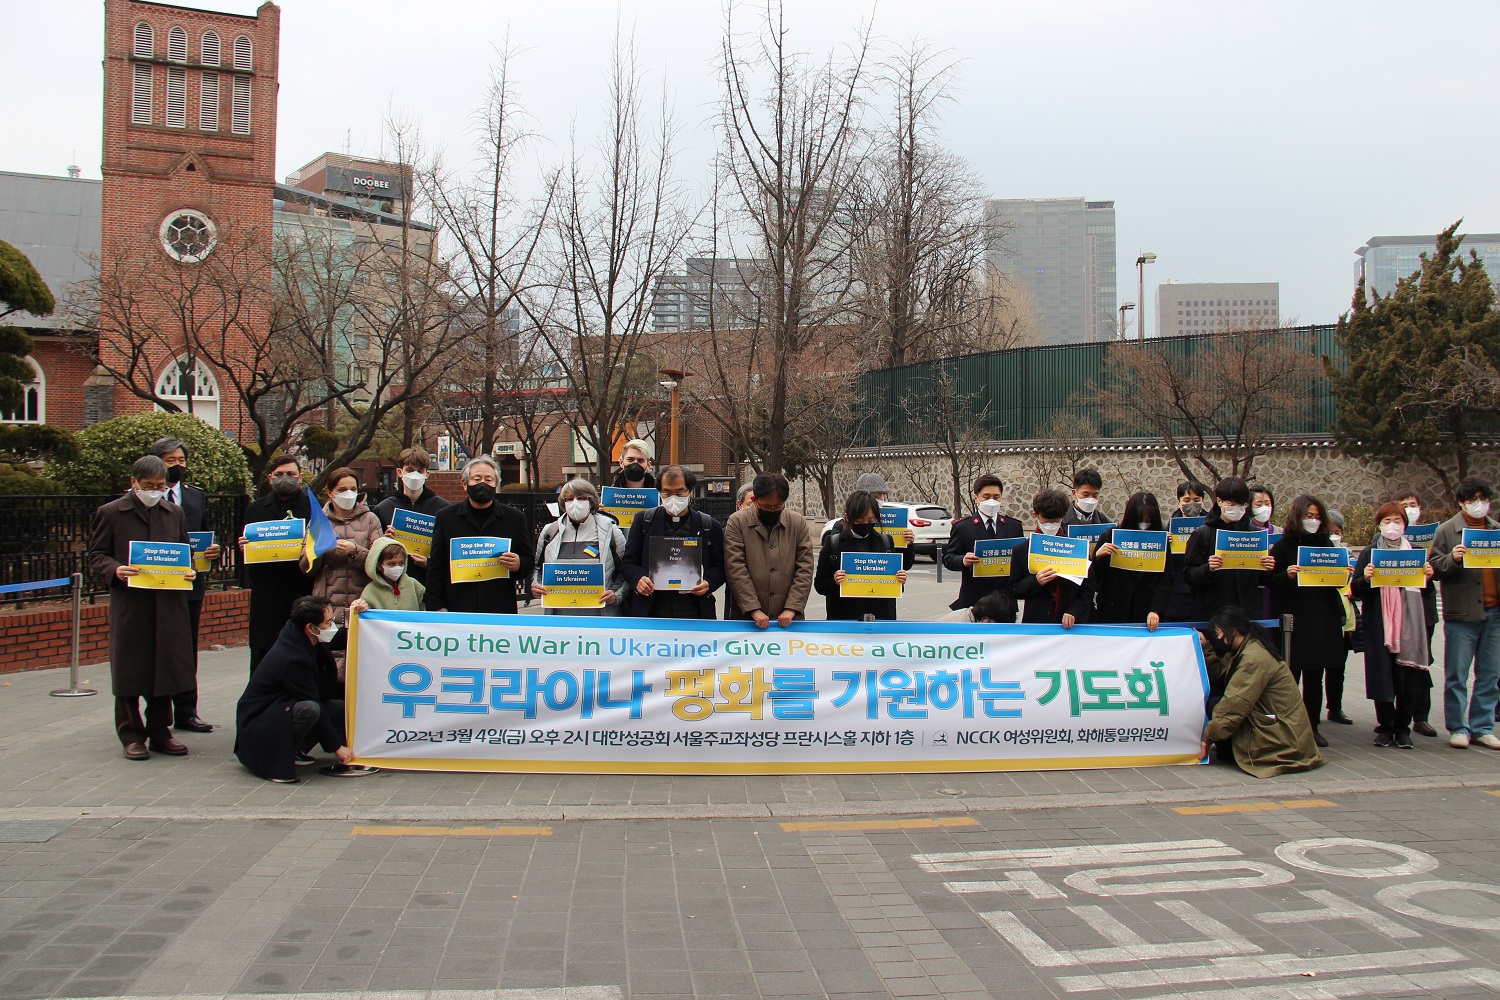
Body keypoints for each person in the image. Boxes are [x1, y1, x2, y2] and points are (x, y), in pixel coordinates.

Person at [86, 454, 198, 761]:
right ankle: (131, 734)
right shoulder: (111, 513)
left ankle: (161, 731)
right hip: (132, 604)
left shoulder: (173, 512)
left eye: (160, 485)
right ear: (134, 483)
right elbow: (96, 555)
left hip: (167, 603)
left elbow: (184, 551)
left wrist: (190, 570)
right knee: (129, 669)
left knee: (165, 668)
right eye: (148, 485)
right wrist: (115, 569)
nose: (155, 490)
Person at [233, 596, 374, 783]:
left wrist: (355, 616)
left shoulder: (302, 636)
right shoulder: (293, 657)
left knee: (338, 708)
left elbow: (338, 640)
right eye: (328, 623)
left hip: (282, 707)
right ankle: (278, 757)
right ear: (310, 627)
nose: (331, 627)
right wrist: (337, 748)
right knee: (310, 709)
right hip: (262, 719)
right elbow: (313, 700)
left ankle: (297, 749)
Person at [147, 436, 222, 734]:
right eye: (170, 461)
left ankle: (186, 710)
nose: (177, 466)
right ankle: (155, 711)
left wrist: (214, 551)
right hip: (155, 583)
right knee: (155, 648)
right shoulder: (143, 496)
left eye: (180, 460)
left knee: (186, 649)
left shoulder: (194, 496)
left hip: (191, 583)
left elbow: (204, 533)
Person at [1199, 605, 1327, 777]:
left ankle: (1232, 754)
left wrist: (1207, 739)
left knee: (1217, 705)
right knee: (1218, 703)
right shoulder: (1249, 647)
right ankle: (1229, 752)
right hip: (1282, 729)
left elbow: (1234, 705)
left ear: (1232, 631)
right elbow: (1219, 672)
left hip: (1283, 738)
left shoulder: (1253, 658)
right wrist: (1206, 647)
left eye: (1219, 632)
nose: (1218, 637)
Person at [1267, 495, 1349, 749]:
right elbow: (1270, 581)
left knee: (1316, 676)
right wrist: (1287, 575)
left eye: (1316, 517)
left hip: (1321, 618)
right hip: (1293, 620)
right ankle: (1288, 726)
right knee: (1290, 676)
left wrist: (1343, 573)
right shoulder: (1282, 547)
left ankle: (1313, 727)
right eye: (1308, 517)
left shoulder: (1326, 545)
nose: (1312, 521)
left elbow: (1336, 580)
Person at [1352, 502, 1435, 749]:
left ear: (1405, 526)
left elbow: (1425, 590)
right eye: (1387, 521)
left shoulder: (1415, 552)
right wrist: (1365, 578)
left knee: (1407, 677)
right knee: (1382, 675)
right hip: (1380, 625)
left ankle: (1403, 727)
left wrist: (1428, 576)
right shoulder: (1370, 553)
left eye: (1397, 521)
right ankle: (1385, 727)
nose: (1392, 526)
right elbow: (1355, 588)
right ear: (1379, 524)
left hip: (1410, 625)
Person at [1429, 476, 1500, 749]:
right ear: (1461, 503)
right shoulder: (1447, 531)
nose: (1479, 505)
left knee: (1490, 674)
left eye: (1483, 499)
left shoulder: (1495, 530)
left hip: (1493, 613)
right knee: (1457, 674)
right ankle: (1458, 726)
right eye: (1472, 500)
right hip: (1462, 613)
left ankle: (1483, 726)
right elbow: (1434, 568)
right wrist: (1453, 558)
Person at [301, 467, 383, 679]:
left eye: (353, 489)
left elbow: (380, 562)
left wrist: (355, 551)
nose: (348, 494)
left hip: (361, 597)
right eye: (342, 489)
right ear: (330, 493)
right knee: (327, 659)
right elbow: (305, 567)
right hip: (327, 596)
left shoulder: (370, 519)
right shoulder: (318, 521)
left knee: (360, 660)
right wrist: (318, 551)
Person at [425, 455, 534, 614]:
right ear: (465, 483)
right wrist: (437, 606)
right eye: (477, 479)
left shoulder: (515, 519)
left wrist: (519, 564)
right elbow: (435, 568)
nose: (483, 484)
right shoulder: (446, 518)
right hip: (457, 608)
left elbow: (528, 561)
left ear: (496, 484)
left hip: (499, 609)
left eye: (488, 479)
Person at [240, 455, 315, 675]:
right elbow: (246, 547)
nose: (285, 479)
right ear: (270, 477)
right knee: (264, 654)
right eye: (280, 474)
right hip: (267, 591)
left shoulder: (313, 507)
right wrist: (245, 546)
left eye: (291, 474)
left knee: (300, 650)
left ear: (300, 477)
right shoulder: (256, 509)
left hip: (301, 588)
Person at [622, 465, 726, 619]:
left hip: (695, 611)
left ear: (690, 491)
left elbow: (720, 566)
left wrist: (709, 583)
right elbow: (628, 562)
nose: (673, 498)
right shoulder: (643, 521)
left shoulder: (709, 526)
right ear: (660, 492)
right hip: (651, 610)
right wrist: (638, 579)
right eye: (667, 492)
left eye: (679, 492)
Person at [723, 471, 815, 628]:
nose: (772, 510)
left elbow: (805, 568)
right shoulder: (737, 522)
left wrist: (791, 608)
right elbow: (736, 568)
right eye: (766, 506)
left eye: (778, 506)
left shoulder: (797, 522)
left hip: (789, 618)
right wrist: (753, 609)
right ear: (754, 500)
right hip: (747, 618)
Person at [532, 478, 629, 616]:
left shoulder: (610, 530)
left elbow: (625, 570)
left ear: (591, 501)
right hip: (559, 617)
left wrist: (616, 594)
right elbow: (537, 567)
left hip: (600, 616)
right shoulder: (550, 532)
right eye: (569, 498)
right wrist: (536, 585)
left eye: (581, 498)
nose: (575, 502)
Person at [1183, 476, 1275, 619]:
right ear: (1219, 501)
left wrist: (1268, 569)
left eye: (1241, 505)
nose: (1237, 509)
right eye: (1231, 504)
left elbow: (1262, 579)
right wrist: (1208, 569)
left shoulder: (1255, 535)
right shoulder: (1203, 533)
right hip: (1214, 616)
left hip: (1247, 615)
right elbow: (1188, 574)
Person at [815, 490, 911, 621]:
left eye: (871, 520)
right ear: (848, 517)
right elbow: (820, 585)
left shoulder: (886, 542)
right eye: (860, 521)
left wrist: (899, 580)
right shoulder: (833, 543)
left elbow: (897, 578)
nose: (866, 524)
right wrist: (835, 582)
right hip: (844, 622)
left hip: (881, 621)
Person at [1391, 486, 1440, 737]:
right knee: (1398, 666)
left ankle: (1421, 717)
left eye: (1413, 505)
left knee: (1423, 662)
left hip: (1423, 608)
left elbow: (1441, 567)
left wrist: (1432, 570)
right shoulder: (1387, 539)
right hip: (1396, 610)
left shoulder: (1431, 538)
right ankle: (1397, 719)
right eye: (1404, 506)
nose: (1410, 510)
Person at [1009, 489, 1095, 627]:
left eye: (1056, 521)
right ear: (1035, 515)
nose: (1051, 525)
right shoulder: (1021, 550)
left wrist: (1074, 611)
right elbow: (1014, 590)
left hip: (1071, 625)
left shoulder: (1077, 548)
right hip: (1036, 625)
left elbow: (1088, 588)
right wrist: (1036, 581)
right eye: (1047, 520)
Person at [943, 474, 1024, 617]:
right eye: (986, 497)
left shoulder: (1013, 526)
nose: (991, 501)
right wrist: (963, 560)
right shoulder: (963, 527)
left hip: (1005, 601)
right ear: (976, 498)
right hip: (974, 600)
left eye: (996, 497)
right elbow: (949, 558)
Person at [1089, 491, 1171, 630]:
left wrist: (1156, 609)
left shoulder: (1161, 541)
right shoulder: (1110, 536)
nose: (1144, 525)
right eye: (1140, 519)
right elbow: (1093, 579)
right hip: (1113, 611)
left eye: (1148, 520)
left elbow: (1166, 579)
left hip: (1146, 612)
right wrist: (1097, 557)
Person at [371, 446, 450, 584]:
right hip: (394, 585)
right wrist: (383, 541)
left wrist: (429, 563)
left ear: (427, 474)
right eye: (410, 470)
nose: (415, 475)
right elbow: (374, 554)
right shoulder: (383, 509)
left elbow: (448, 550)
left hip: (431, 584)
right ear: (400, 472)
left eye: (420, 471)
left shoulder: (443, 509)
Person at [1163, 480, 1210, 622]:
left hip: (1206, 591)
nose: (1192, 504)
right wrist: (1165, 544)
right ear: (1179, 502)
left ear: (1203, 501)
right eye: (1187, 500)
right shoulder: (1168, 530)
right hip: (1177, 595)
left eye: (1196, 500)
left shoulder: (1211, 528)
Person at [356, 537, 426, 612]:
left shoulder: (414, 586)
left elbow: (426, 609)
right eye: (391, 564)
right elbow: (362, 613)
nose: (397, 568)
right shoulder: (371, 590)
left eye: (401, 563)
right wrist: (359, 606)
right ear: (379, 566)